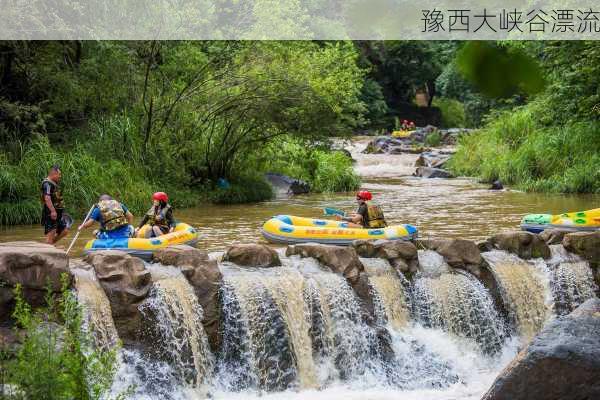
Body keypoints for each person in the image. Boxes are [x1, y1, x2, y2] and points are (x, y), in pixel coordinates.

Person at [41, 165, 69, 244]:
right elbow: (47, 198)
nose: (60, 176)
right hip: (51, 214)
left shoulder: (53, 183)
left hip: (58, 213)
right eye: (59, 174)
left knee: (65, 231)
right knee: (50, 235)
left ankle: (51, 245)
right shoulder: (47, 184)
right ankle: (48, 248)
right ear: (53, 173)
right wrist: (53, 211)